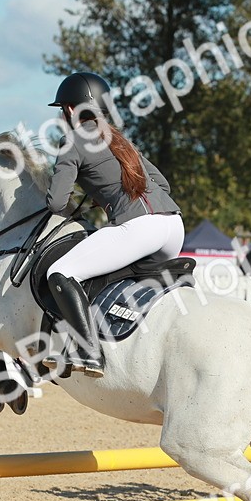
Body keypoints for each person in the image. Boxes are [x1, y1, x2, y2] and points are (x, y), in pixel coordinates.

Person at [43, 71, 183, 377]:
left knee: (60, 272)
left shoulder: (72, 142)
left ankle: (88, 351)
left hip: (141, 229)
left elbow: (56, 203)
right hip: (173, 227)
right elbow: (164, 185)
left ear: (69, 110)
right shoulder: (120, 139)